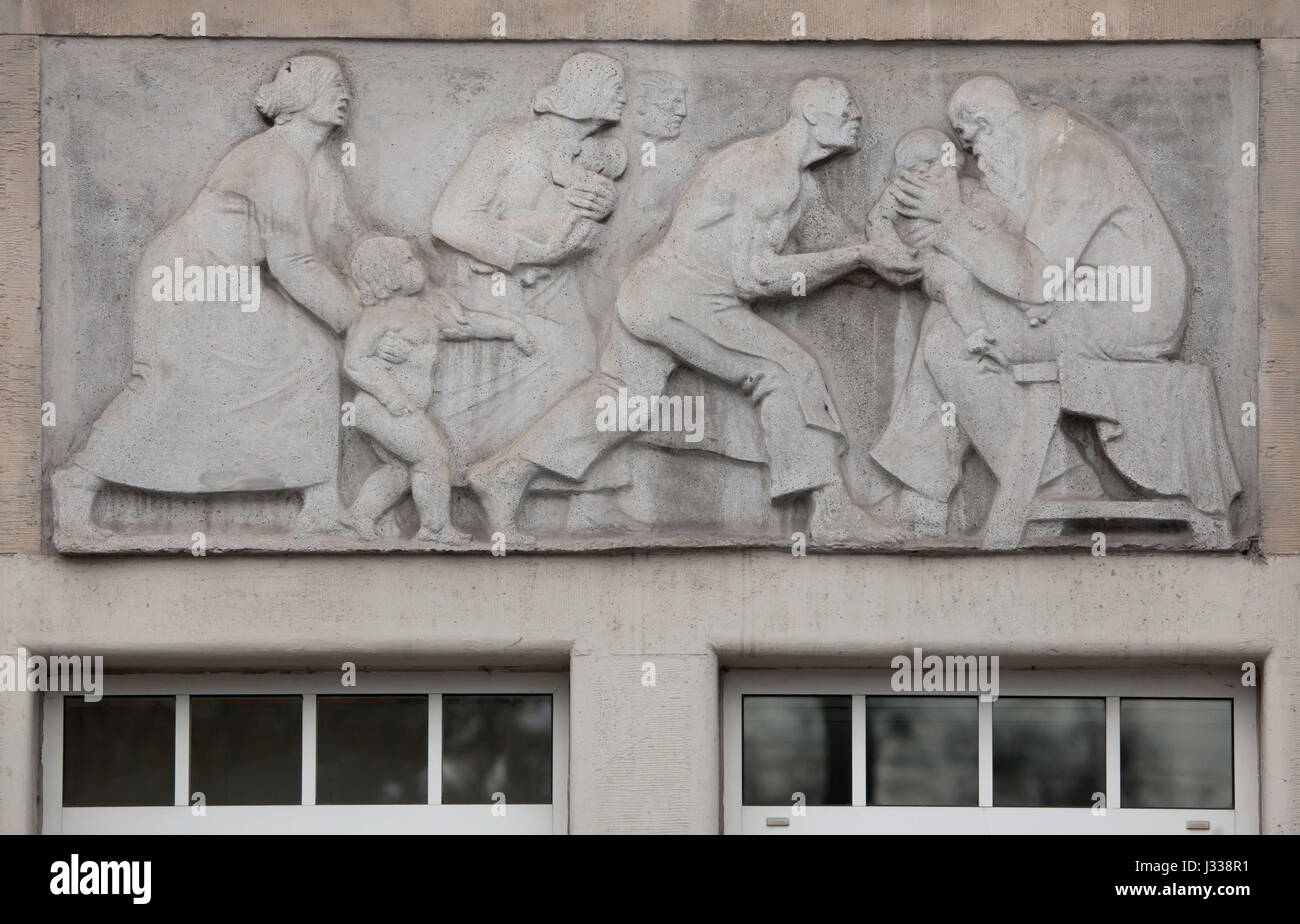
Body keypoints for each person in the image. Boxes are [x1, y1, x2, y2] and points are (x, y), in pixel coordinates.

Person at [468, 77, 920, 546]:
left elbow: (842, 253)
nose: (857, 117)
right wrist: (861, 257)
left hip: (655, 294)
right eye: (846, 108)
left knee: (624, 404)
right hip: (683, 299)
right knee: (789, 368)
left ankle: (505, 474)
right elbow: (757, 277)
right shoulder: (767, 171)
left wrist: (881, 238)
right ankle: (832, 512)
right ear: (809, 114)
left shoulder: (799, 184)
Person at [872, 76, 1239, 532]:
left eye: (974, 145)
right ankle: (934, 493)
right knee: (953, 313)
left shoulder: (1074, 158)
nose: (976, 162)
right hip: (1088, 304)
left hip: (1126, 314)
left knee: (951, 340)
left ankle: (1049, 482)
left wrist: (948, 222)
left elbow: (1034, 277)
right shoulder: (1042, 156)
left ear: (989, 125)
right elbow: (1012, 250)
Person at [52, 55, 378, 539]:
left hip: (232, 282)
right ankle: (76, 487)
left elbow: (342, 235)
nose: (343, 93)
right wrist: (360, 321)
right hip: (189, 277)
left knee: (311, 360)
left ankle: (322, 502)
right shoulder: (273, 159)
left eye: (344, 84)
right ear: (303, 97)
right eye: (331, 84)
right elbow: (294, 264)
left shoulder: (318, 167)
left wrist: (384, 277)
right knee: (168, 382)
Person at [340, 236, 535, 543]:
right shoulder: (377, 317)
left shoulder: (427, 310)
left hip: (404, 409)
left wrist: (512, 330)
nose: (416, 264)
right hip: (380, 408)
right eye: (406, 261)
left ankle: (359, 516)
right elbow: (354, 362)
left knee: (401, 471)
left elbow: (466, 324)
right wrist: (392, 397)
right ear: (385, 273)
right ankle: (434, 529)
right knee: (432, 457)